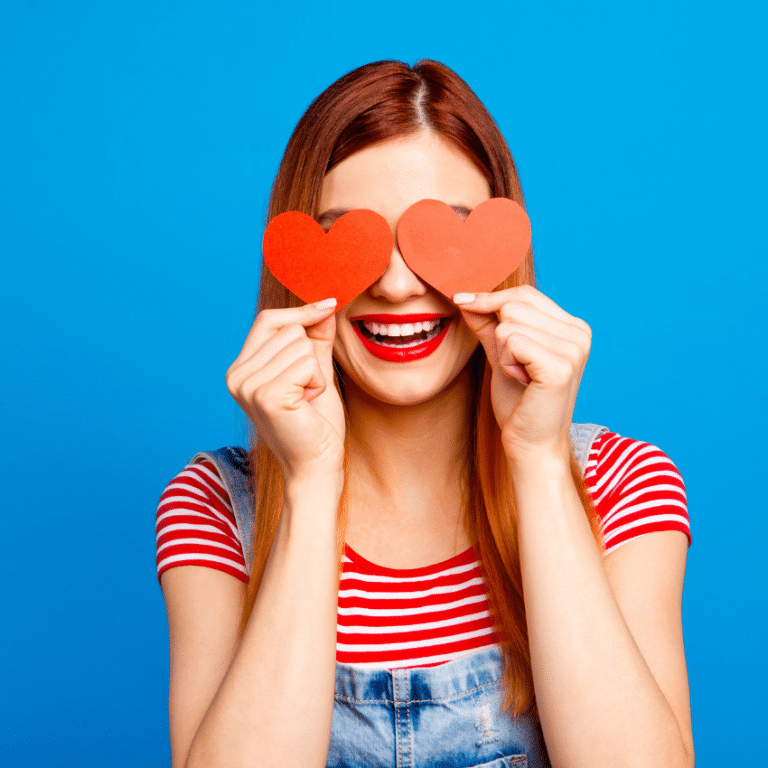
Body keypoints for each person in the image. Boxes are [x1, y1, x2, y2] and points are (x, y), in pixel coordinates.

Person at [156, 60, 694, 768]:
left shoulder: (621, 485)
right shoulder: (216, 508)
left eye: (439, 237)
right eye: (353, 239)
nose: (398, 285)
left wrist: (535, 462)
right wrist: (313, 483)